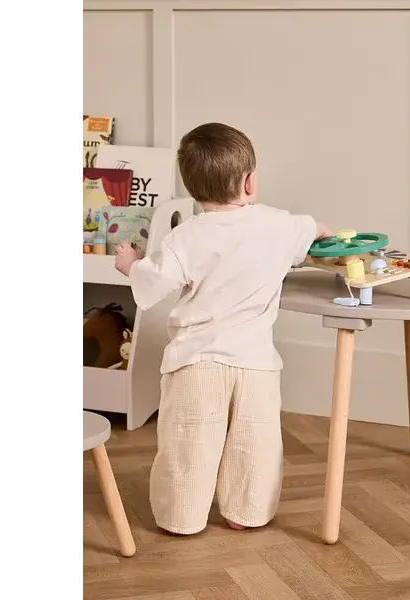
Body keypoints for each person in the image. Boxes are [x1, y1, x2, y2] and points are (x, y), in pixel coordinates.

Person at [114, 122, 332, 535]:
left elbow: (152, 281)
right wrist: (326, 237)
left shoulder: (185, 237)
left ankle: (182, 518)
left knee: (189, 442)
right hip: (256, 363)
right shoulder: (279, 225)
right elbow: (316, 231)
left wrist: (131, 263)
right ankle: (245, 513)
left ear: (193, 188)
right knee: (255, 442)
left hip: (197, 361)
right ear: (250, 182)